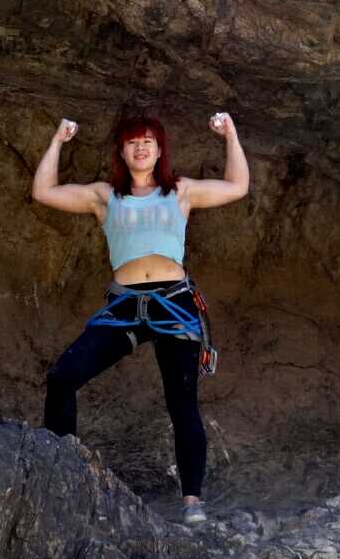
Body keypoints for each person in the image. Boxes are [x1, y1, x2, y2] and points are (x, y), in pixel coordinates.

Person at [31, 111, 249, 524]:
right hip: (125, 306)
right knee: (61, 379)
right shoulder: (104, 196)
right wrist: (57, 141)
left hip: (174, 303)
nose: (141, 147)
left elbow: (238, 186)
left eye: (148, 140)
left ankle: (192, 502)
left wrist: (231, 136)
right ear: (121, 151)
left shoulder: (180, 191)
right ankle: (61, 473)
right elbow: (44, 192)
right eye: (132, 141)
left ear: (160, 150)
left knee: (182, 403)